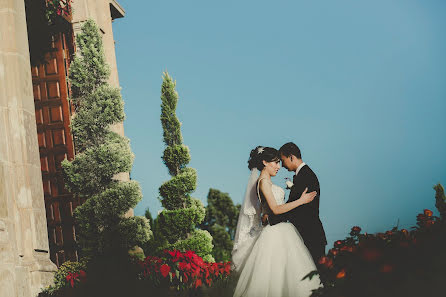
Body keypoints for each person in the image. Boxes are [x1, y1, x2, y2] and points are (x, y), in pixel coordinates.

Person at [232, 146, 322, 297]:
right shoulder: (264, 182)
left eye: (279, 163)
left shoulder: (266, 181)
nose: (279, 167)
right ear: (265, 162)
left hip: (280, 230)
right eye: (275, 163)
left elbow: (269, 210)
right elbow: (275, 209)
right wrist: (301, 201)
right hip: (275, 233)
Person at [273, 142, 327, 264]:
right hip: (307, 235)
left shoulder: (306, 176)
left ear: (291, 157)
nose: (282, 165)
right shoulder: (303, 174)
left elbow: (294, 207)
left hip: (310, 236)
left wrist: (272, 219)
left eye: (282, 160)